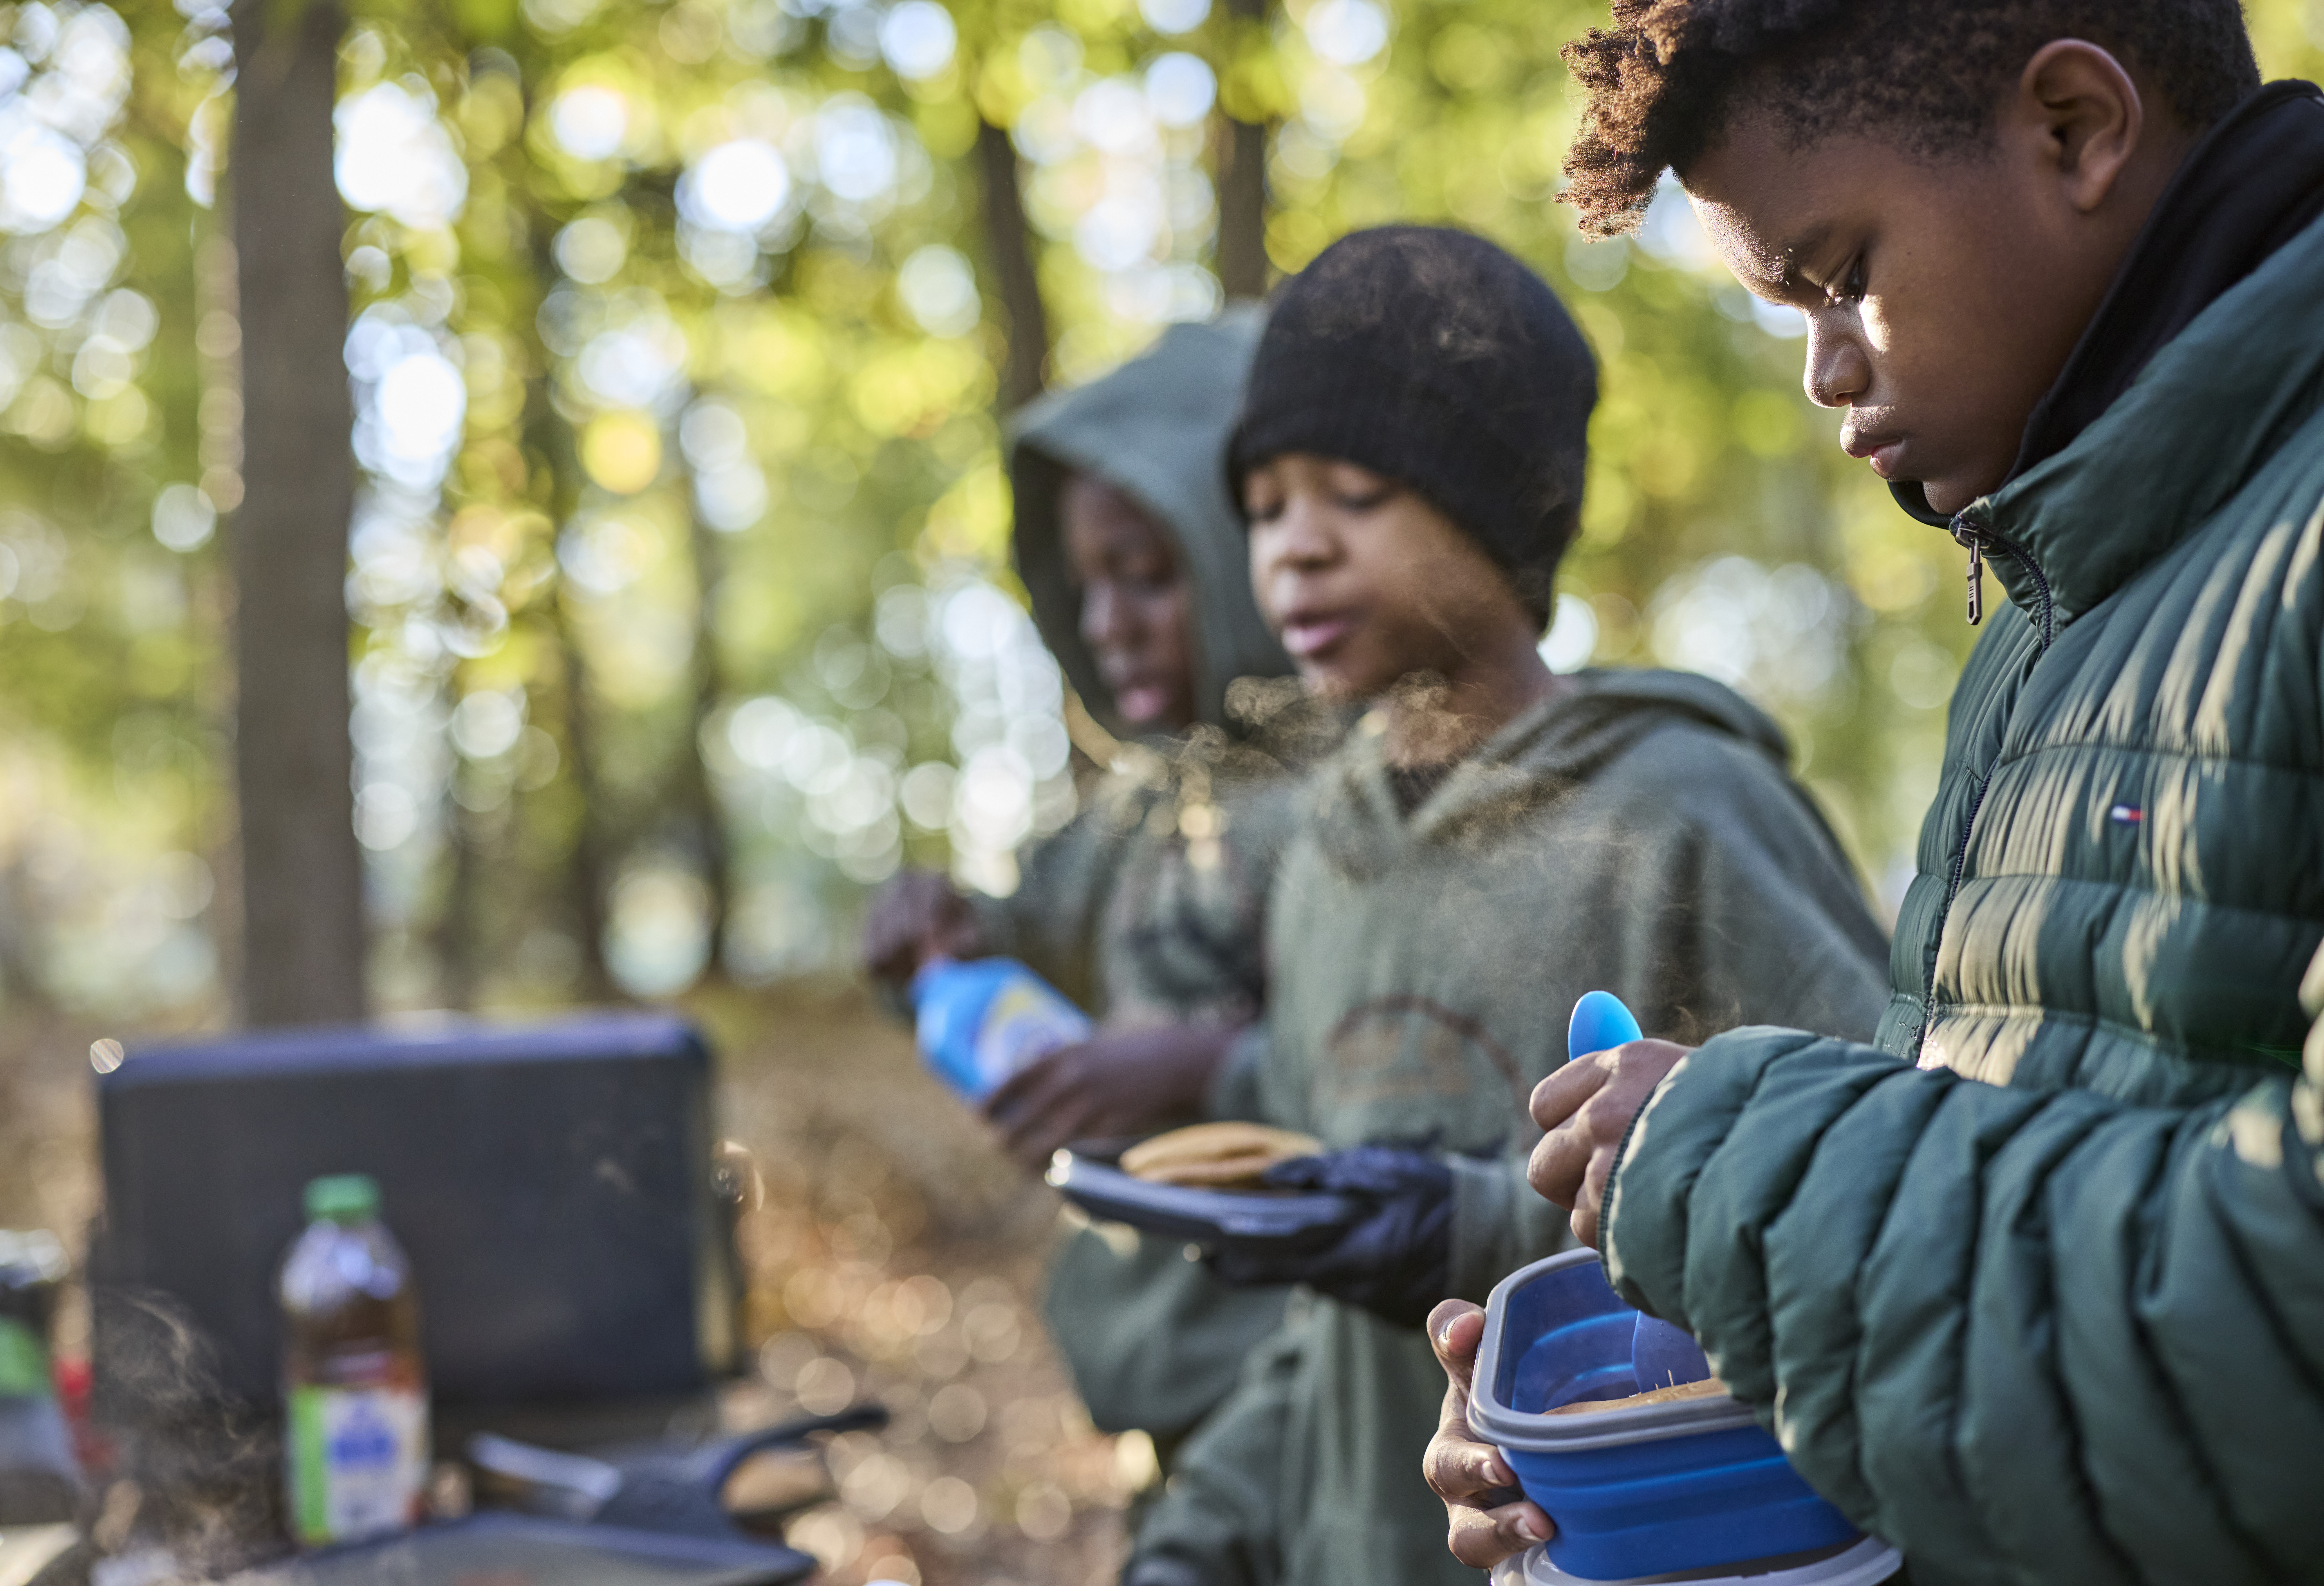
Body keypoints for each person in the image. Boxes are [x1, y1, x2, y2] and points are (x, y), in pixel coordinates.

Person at [1424, 5, 2324, 1583]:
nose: (1826, 374)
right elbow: (2028, 1331)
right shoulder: (2058, 617)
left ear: (2072, 128)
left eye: (1841, 278)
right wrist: (1645, 1473)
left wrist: (1740, 1162)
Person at [1122, 225, 1891, 1586]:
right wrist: (1195, 1543)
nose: (1291, 550)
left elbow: (1878, 1209)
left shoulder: (1682, 812)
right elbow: (1323, 1348)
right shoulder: (1323, 861)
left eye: (1352, 492)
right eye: (1261, 503)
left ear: (1500, 505)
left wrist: (1471, 1230)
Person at [861, 310, 1329, 1471]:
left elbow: (1409, 1066)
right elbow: (1032, 945)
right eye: (1084, 586)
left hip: (1327, 1382)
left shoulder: (1355, 800)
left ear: (1240, 550)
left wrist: (1194, 1069)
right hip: (1161, 1384)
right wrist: (941, 937)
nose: (1106, 623)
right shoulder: (1144, 811)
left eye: (1146, 574)